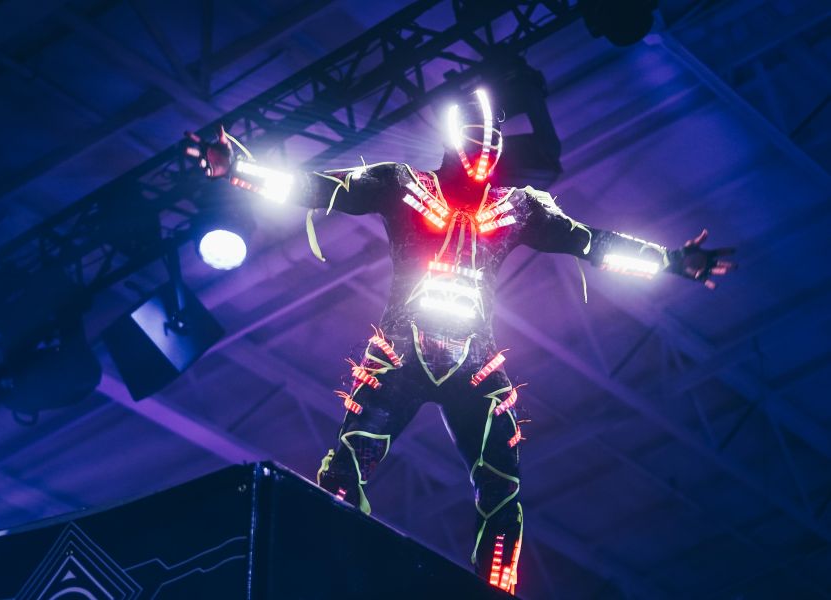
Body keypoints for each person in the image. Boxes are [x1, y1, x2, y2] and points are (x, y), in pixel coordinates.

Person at [184, 88, 734, 594]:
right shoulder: (403, 184)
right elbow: (320, 188)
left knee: (500, 488)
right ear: (451, 137)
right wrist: (242, 169)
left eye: (492, 137)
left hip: (472, 366)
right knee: (347, 470)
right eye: (474, 135)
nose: (484, 148)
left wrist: (670, 262)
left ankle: (493, 588)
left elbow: (593, 244)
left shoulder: (519, 207)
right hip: (403, 354)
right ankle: (323, 569)